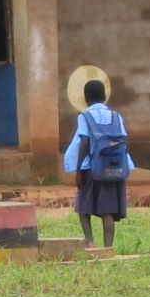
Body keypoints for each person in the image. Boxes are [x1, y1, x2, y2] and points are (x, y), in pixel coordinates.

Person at [62, 80, 130, 249]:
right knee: (108, 210)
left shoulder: (85, 116)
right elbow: (122, 139)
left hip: (91, 168)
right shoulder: (116, 116)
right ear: (105, 96)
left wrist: (78, 170)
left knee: (83, 207)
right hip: (114, 167)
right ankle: (108, 248)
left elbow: (84, 141)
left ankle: (90, 242)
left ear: (86, 98)